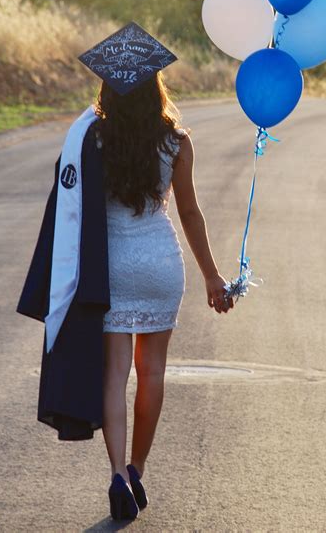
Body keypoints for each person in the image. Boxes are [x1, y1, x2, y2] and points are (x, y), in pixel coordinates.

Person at [94, 71, 234, 520]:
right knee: (151, 373)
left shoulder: (94, 138)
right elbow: (190, 212)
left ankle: (116, 472)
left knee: (115, 375)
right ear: (156, 88)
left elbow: (76, 205)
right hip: (159, 262)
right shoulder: (177, 141)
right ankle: (138, 470)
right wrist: (213, 276)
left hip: (112, 265)